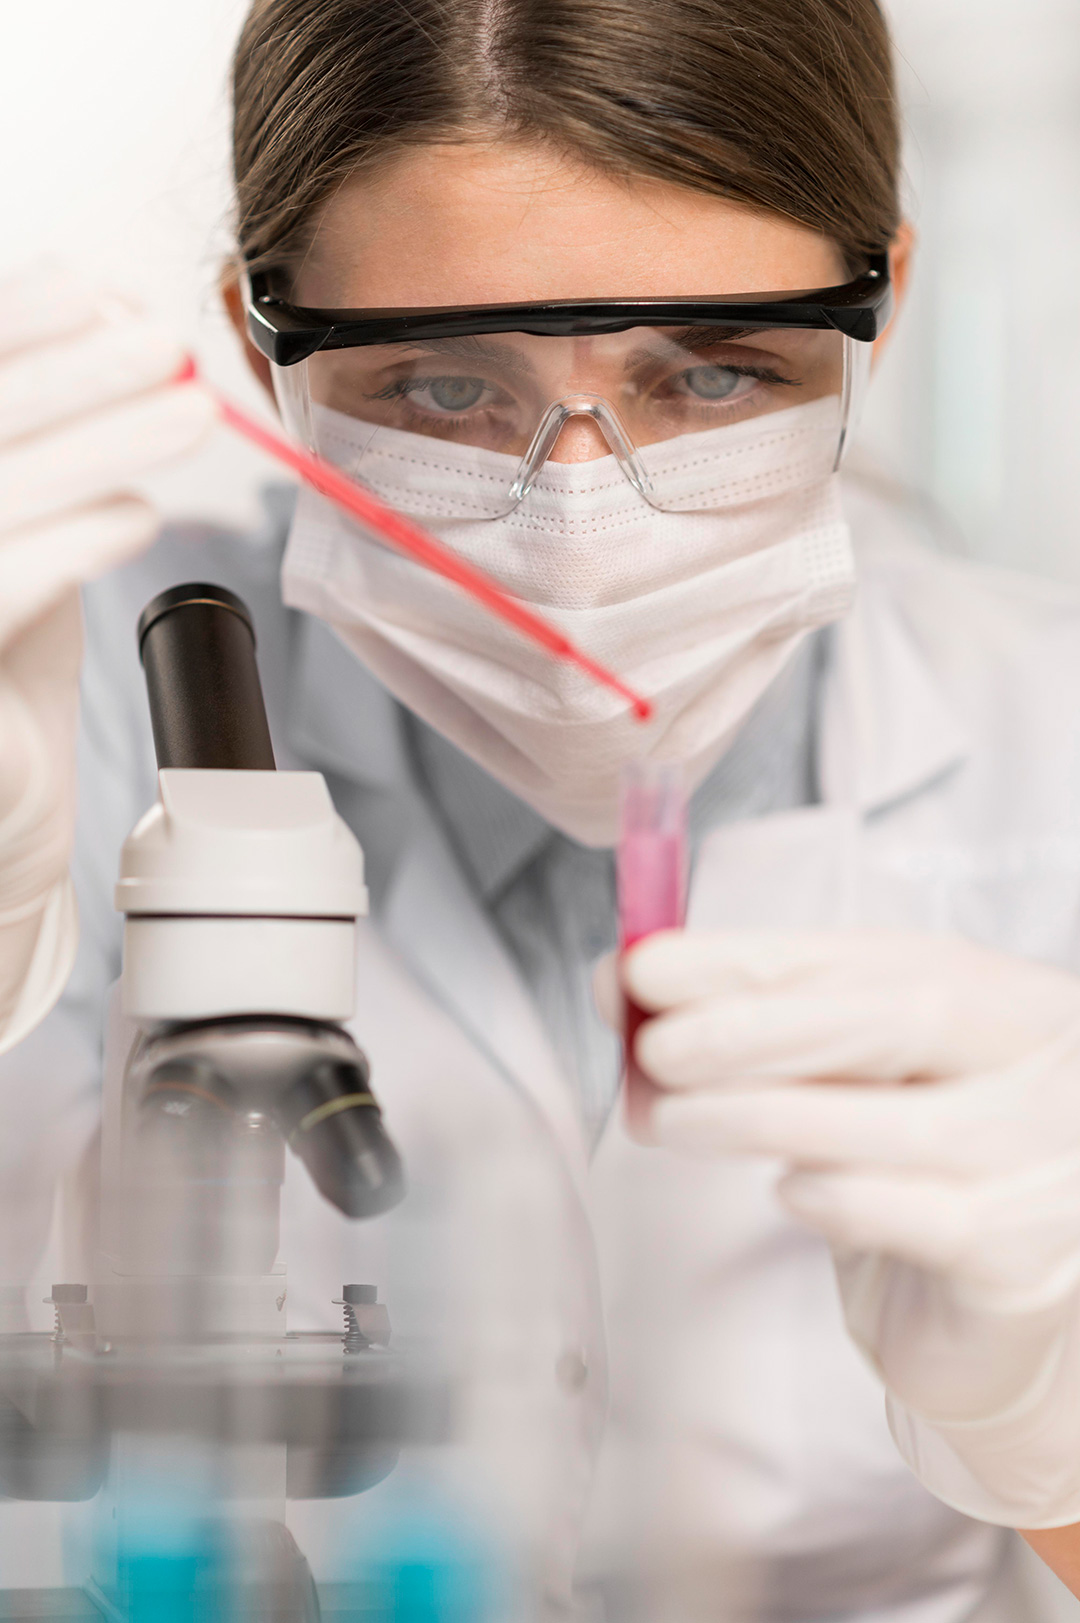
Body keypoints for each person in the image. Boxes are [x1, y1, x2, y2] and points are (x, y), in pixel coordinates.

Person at [3, 0, 1080, 1614]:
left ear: (885, 304)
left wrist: (1054, 1432)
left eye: (715, 373)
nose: (580, 522)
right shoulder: (59, 702)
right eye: (443, 390)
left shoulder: (1044, 743)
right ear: (255, 343)